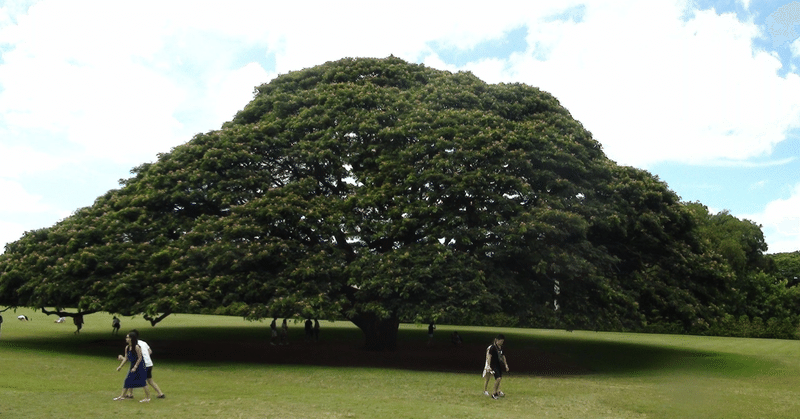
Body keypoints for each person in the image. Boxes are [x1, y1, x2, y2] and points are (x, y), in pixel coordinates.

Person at [123, 330, 165, 399]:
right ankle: (160, 393)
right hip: (149, 363)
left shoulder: (134, 345)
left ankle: (131, 394)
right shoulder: (143, 342)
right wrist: (146, 357)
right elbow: (150, 351)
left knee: (132, 377)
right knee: (150, 380)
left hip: (142, 364)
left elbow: (134, 356)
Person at [114, 332, 149, 402]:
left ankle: (147, 398)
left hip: (140, 366)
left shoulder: (136, 347)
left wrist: (135, 367)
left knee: (143, 382)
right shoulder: (127, 347)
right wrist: (120, 366)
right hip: (132, 365)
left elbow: (140, 358)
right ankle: (122, 396)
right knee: (127, 380)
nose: (126, 339)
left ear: (131, 339)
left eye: (128, 337)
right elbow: (126, 358)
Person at [482, 334, 509, 399]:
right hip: (493, 365)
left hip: (498, 365)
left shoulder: (501, 348)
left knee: (498, 379)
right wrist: (488, 365)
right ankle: (493, 393)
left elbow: (503, 356)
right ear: (497, 340)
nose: (502, 343)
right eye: (501, 341)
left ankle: (497, 391)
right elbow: (489, 357)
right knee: (495, 378)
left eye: (503, 341)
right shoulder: (492, 348)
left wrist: (506, 365)